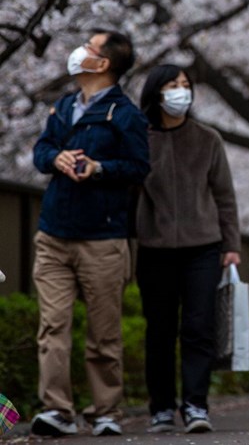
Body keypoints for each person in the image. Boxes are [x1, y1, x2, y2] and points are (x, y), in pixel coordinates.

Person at [30, 30, 150, 437]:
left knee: (104, 332)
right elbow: (40, 152)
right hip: (53, 233)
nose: (79, 50)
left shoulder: (127, 115)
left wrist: (99, 168)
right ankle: (57, 409)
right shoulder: (63, 107)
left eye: (90, 46)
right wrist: (56, 157)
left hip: (103, 238)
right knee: (53, 327)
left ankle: (105, 411)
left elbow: (139, 168)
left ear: (102, 64)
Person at [135, 64, 242, 434]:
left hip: (203, 247)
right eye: (172, 85)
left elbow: (224, 196)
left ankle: (196, 405)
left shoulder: (207, 138)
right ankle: (161, 408)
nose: (181, 92)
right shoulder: (139, 139)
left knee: (199, 327)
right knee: (160, 329)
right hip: (154, 247)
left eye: (185, 85)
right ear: (155, 93)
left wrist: (232, 245)